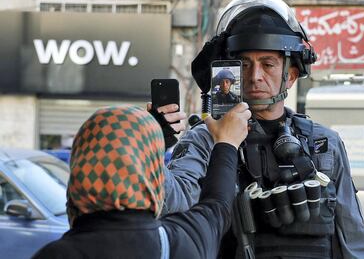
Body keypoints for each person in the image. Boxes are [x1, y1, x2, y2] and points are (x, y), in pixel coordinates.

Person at [156, 0, 364, 258]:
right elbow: (168, 201)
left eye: (268, 64)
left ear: (291, 76)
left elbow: (354, 239)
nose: (255, 77)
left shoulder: (323, 144)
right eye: (245, 64)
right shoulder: (207, 138)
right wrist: (154, 144)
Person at [31, 104, 251, 259]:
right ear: (152, 170)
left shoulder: (54, 254)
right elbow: (218, 206)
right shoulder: (183, 242)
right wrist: (227, 142)